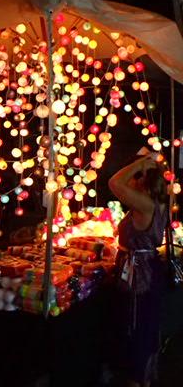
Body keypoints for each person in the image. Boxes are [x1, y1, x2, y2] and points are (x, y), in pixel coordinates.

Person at [107, 151, 169, 387]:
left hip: (140, 276)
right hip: (147, 270)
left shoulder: (145, 204)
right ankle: (143, 378)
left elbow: (114, 182)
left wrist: (139, 163)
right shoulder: (156, 202)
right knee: (145, 326)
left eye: (136, 176)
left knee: (137, 328)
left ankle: (136, 379)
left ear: (143, 179)